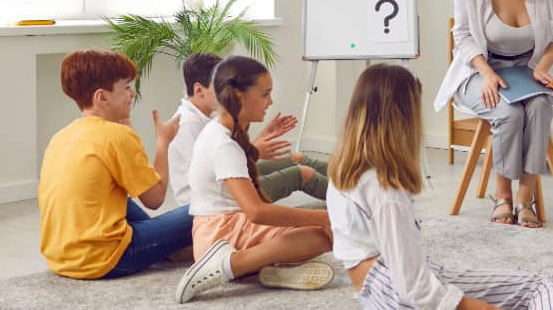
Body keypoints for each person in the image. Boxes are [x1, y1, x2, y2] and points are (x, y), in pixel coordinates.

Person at [329, 64, 553, 309]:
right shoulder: (385, 189)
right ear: (403, 117)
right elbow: (415, 289)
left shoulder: (345, 171)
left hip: (377, 292)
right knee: (545, 286)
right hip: (399, 290)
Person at [434, 0, 553, 228]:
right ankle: (503, 196)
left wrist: (542, 67)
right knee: (508, 114)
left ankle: (526, 196)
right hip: (481, 69)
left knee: (538, 107)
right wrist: (485, 72)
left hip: (530, 67)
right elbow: (463, 35)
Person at [175, 56, 334, 303]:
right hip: (219, 234)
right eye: (265, 94)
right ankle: (230, 264)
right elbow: (257, 212)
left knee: (316, 234)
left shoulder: (223, 129)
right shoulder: (223, 143)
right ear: (240, 97)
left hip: (221, 226)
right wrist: (323, 217)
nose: (270, 101)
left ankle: (267, 268)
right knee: (322, 236)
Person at [38, 49, 192, 279]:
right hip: (107, 259)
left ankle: (167, 246)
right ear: (102, 97)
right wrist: (163, 141)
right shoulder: (116, 136)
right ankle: (172, 245)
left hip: (59, 258)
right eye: (127, 87)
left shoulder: (62, 136)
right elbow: (155, 199)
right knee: (203, 207)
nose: (132, 94)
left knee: (115, 194)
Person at [168, 52, 329, 208]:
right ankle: (346, 203)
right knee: (301, 174)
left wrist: (264, 135)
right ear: (199, 90)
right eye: (219, 86)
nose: (225, 92)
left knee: (296, 159)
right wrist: (256, 150)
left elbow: (231, 155)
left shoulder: (206, 118)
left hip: (226, 185)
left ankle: (351, 176)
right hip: (215, 198)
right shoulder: (188, 124)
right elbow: (213, 177)